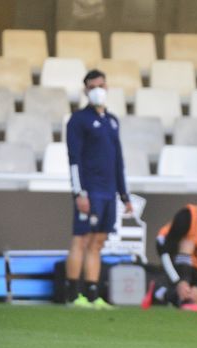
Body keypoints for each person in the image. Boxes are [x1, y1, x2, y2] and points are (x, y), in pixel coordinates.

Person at [65, 69, 133, 310]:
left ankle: (92, 295)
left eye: (101, 86)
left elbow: (118, 161)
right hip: (90, 190)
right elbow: (74, 158)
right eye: (92, 87)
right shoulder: (78, 120)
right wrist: (79, 193)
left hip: (109, 192)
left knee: (98, 242)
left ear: (107, 87)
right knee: (81, 240)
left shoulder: (112, 120)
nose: (97, 90)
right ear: (85, 90)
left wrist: (124, 195)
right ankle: (73, 294)